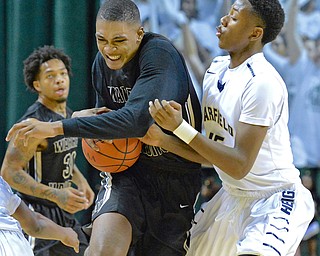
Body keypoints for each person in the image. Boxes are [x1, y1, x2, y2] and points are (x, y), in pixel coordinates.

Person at [5, 0, 203, 255]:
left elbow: (136, 121)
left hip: (174, 180)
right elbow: (106, 126)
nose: (109, 50)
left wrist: (55, 128)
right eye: (102, 40)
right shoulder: (103, 63)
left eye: (119, 41)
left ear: (139, 34)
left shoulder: (159, 55)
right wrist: (93, 129)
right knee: (102, 251)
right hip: (128, 175)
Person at [142, 0, 315, 255]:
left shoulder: (262, 83)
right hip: (231, 196)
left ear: (255, 33)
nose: (223, 21)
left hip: (273, 198)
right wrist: (164, 140)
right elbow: (215, 155)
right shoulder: (215, 71)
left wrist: (180, 128)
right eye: (227, 15)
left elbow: (239, 164)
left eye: (234, 18)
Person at [1, 45, 95, 255]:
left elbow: (59, 153)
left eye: (63, 74)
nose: (60, 80)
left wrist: (79, 180)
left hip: (61, 210)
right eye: (50, 76)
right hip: (35, 212)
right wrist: (55, 194)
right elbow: (9, 172)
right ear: (37, 85)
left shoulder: (66, 115)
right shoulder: (33, 123)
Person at [0, 175, 79, 256]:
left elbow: (35, 224)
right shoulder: (1, 185)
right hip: (17, 245)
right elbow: (35, 224)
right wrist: (65, 234)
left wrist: (65, 234)